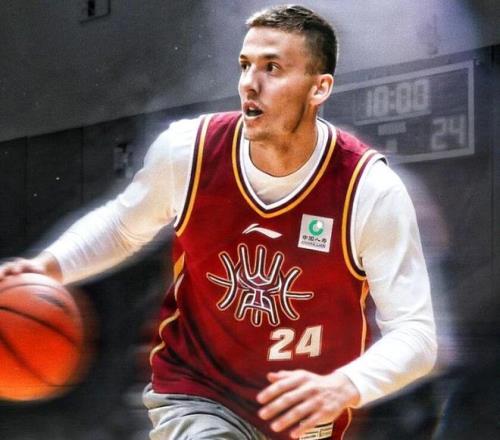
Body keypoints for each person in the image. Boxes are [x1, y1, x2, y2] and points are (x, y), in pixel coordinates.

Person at [0, 5, 437, 440]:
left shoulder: (368, 189)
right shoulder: (188, 152)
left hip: (301, 415)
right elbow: (122, 226)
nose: (250, 83)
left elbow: (415, 334)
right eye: (245, 65)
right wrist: (49, 266)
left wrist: (346, 384)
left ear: (319, 88)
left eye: (272, 68)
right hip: (198, 391)